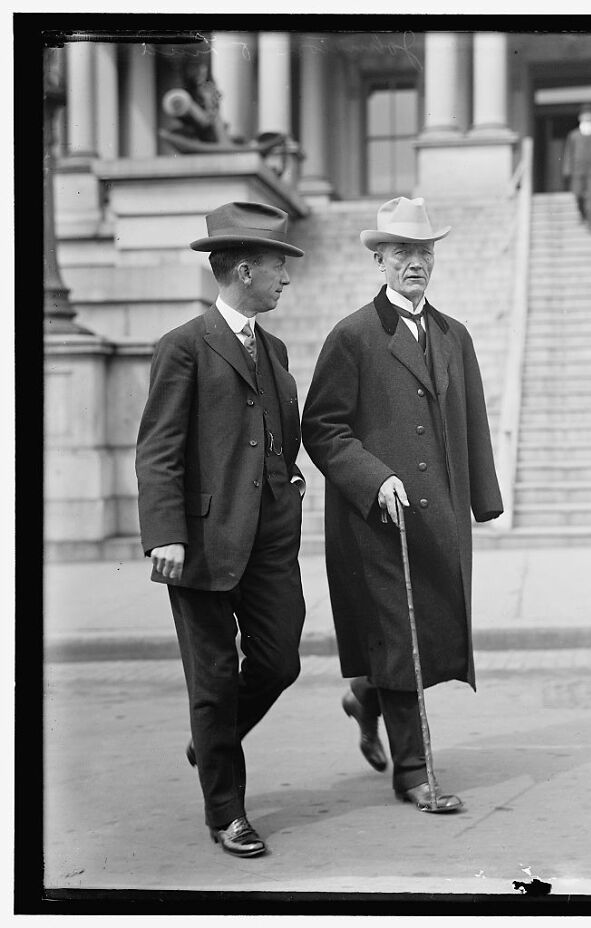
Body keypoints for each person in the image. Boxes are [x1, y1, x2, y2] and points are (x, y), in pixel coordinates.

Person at [301, 196, 503, 813]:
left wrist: (483, 500)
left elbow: (473, 420)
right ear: (379, 261)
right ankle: (414, 774)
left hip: (439, 515)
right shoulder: (353, 335)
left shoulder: (454, 334)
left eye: (424, 251)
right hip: (377, 519)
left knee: (424, 636)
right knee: (399, 636)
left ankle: (365, 698)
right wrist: (373, 477)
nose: (415, 263)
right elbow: (322, 428)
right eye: (402, 253)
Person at [135, 201, 306, 857]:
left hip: (269, 542)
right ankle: (226, 811)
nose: (285, 277)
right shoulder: (183, 346)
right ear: (242, 271)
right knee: (211, 681)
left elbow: (280, 437)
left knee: (280, 660)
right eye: (276, 266)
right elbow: (158, 450)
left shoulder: (276, 349)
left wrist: (288, 485)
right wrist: (165, 533)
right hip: (201, 545)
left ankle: (212, 739)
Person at [562, 104, 591, 231]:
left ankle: (590, 221)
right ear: (580, 118)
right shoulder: (573, 135)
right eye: (585, 115)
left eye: (590, 115)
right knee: (577, 194)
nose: (587, 117)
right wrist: (567, 169)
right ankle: (583, 214)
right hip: (577, 170)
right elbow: (568, 153)